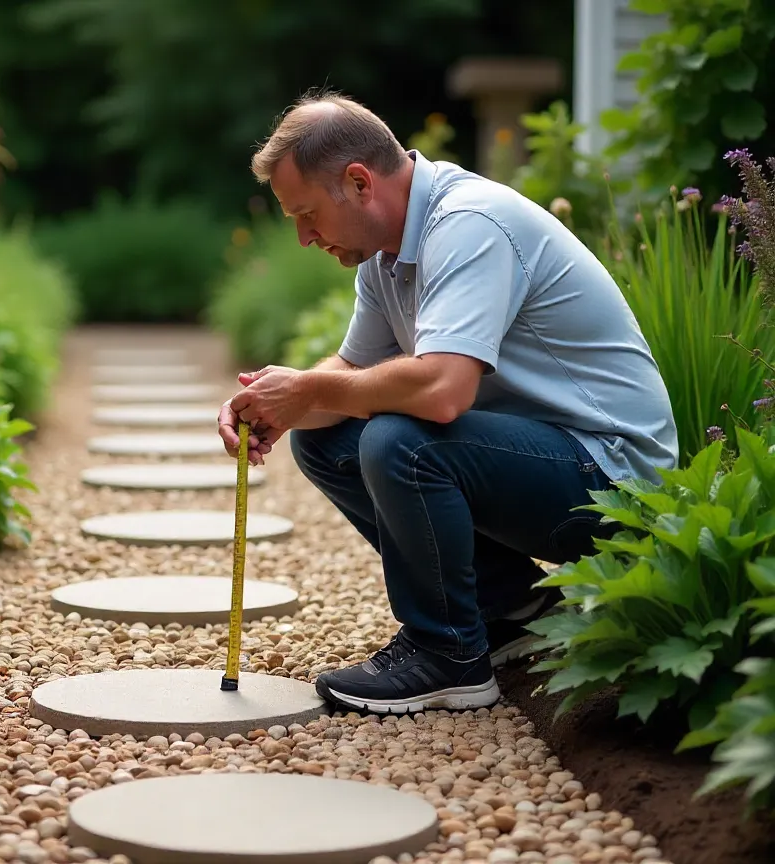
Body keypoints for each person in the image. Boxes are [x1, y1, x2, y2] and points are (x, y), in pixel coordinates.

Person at [216, 90, 678, 715]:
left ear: (358, 182)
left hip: (619, 481)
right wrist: (282, 405)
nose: (302, 238)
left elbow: (441, 392)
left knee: (399, 442)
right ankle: (509, 607)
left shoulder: (468, 225)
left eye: (307, 214)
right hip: (548, 461)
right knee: (324, 438)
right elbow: (350, 370)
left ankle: (449, 656)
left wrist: (309, 390)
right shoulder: (386, 259)